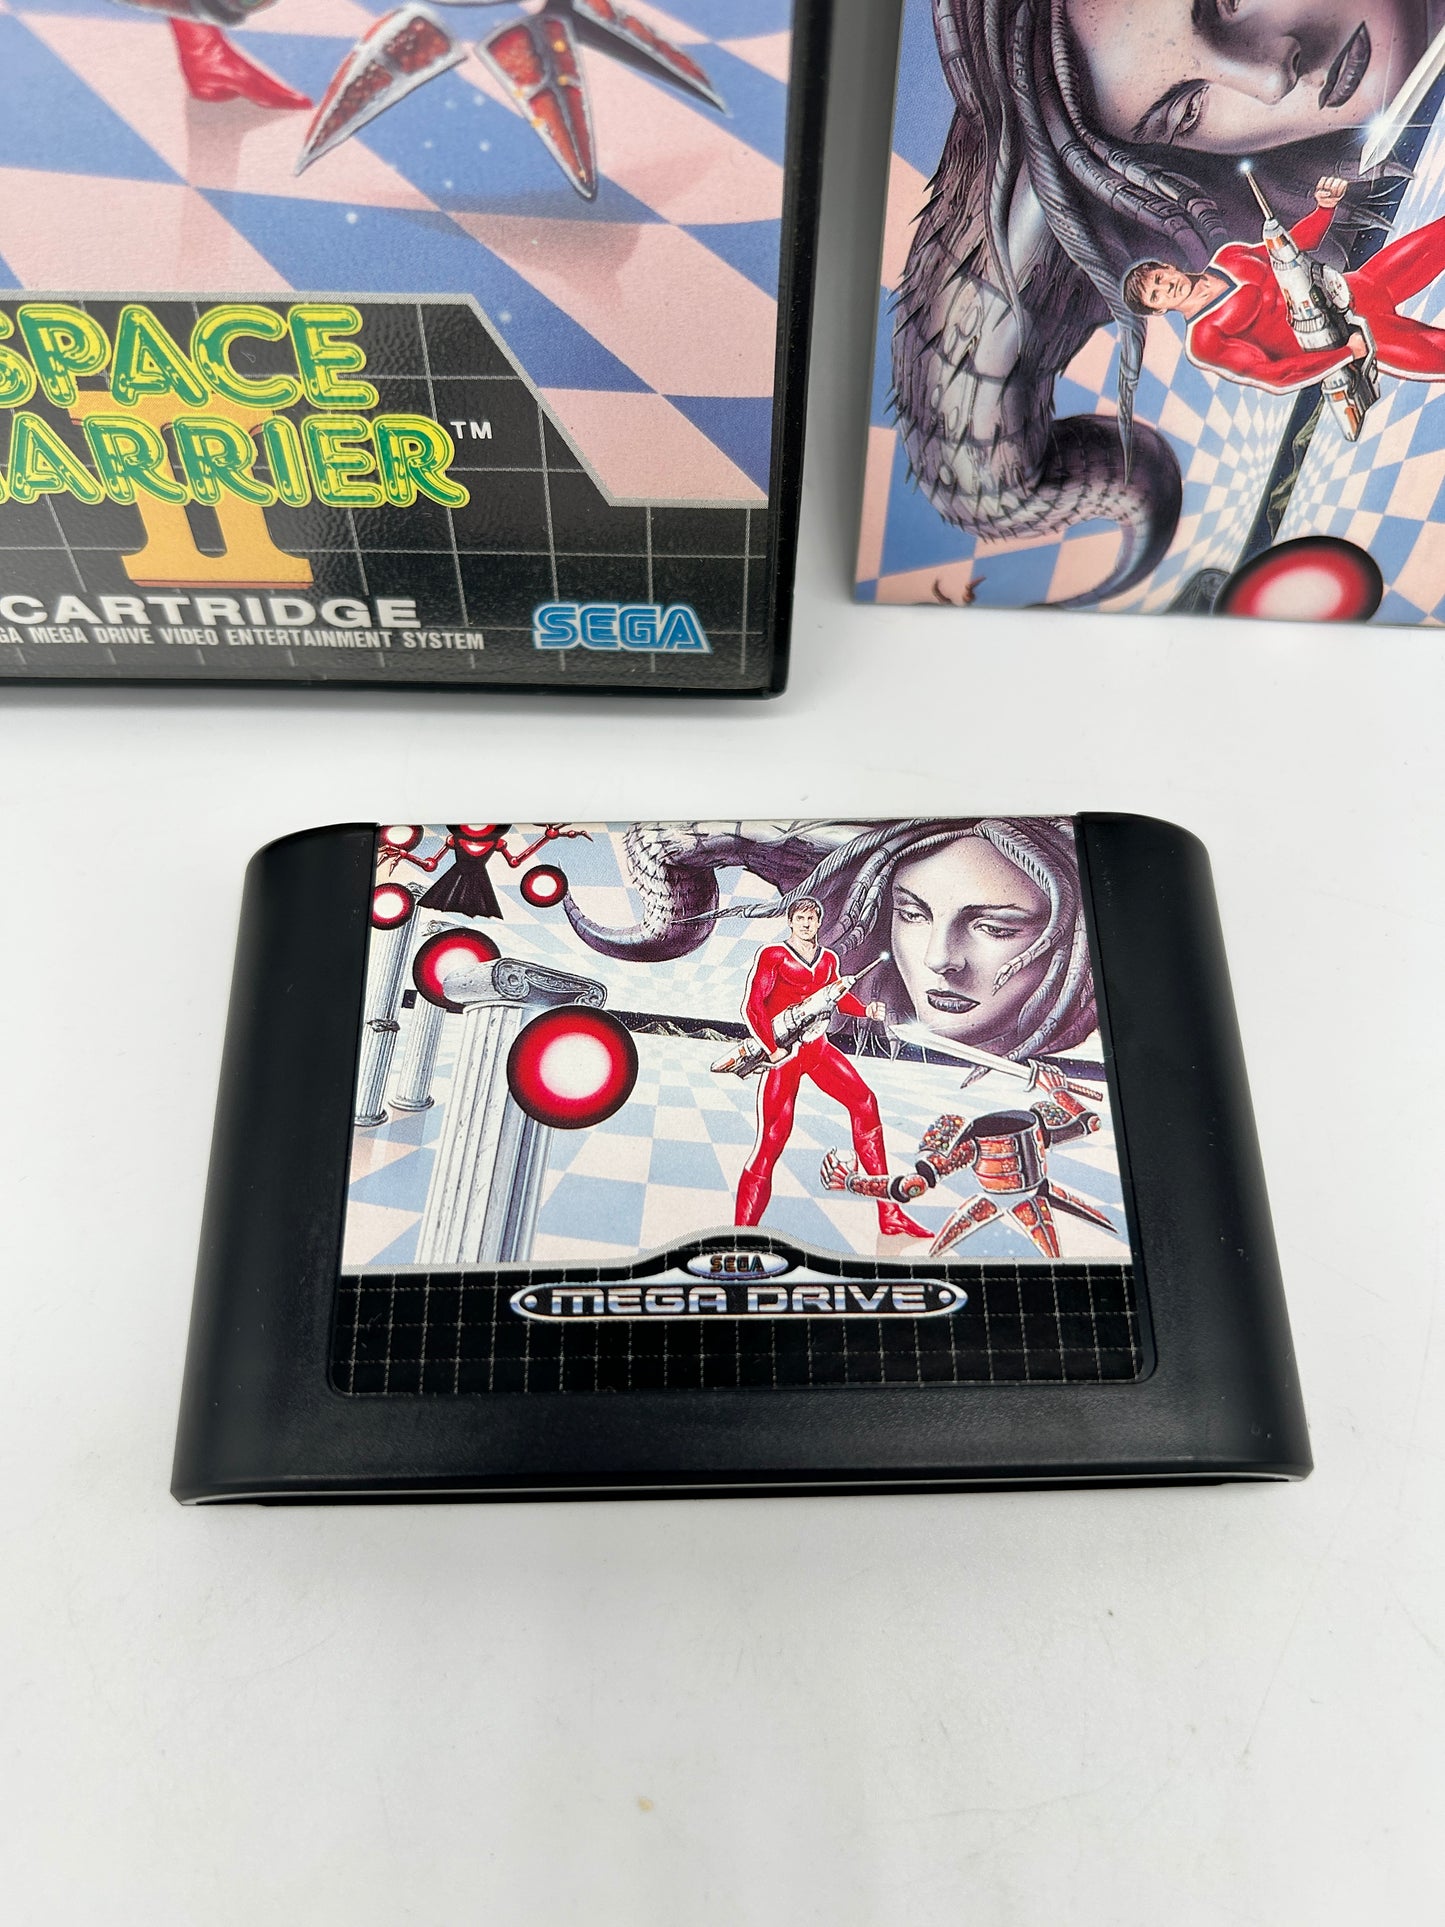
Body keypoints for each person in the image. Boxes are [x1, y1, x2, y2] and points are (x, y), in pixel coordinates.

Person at [892, 0, 1439, 604]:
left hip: (1365, 292)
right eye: (1186, 111)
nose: (1269, 79)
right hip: (1357, 326)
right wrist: (1346, 352)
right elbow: (1279, 366)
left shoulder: (1237, 261)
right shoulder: (1215, 308)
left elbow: (1296, 249)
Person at [1122, 174, 1445, 387]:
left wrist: (1324, 209)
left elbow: (1295, 245)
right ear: (1158, 310)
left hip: (1361, 285)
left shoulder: (1229, 257)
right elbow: (1275, 374)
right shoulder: (1204, 339)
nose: (1166, 287)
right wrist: (1347, 353)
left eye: (1159, 278)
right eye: (1156, 295)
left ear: (1168, 267)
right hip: (1359, 334)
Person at [734, 899, 929, 1239]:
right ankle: (740, 1232)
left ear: (818, 922)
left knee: (865, 1103)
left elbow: (835, 997)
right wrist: (772, 1049)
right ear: (791, 921)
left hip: (818, 1050)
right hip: (786, 1056)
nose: (806, 924)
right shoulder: (774, 956)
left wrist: (865, 1010)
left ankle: (890, 1214)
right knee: (771, 1140)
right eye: (801, 918)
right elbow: (753, 1006)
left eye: (812, 918)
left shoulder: (827, 960)